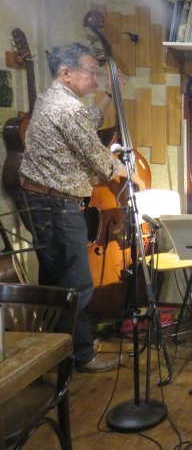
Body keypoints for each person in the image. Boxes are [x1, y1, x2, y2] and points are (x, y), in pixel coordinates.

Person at [18, 42, 146, 373]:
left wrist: (109, 96)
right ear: (66, 73)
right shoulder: (68, 109)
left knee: (55, 282)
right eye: (90, 72)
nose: (95, 79)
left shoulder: (52, 98)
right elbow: (101, 163)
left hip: (40, 201)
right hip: (56, 205)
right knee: (77, 284)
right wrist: (132, 174)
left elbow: (88, 121)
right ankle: (82, 355)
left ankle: (56, 352)